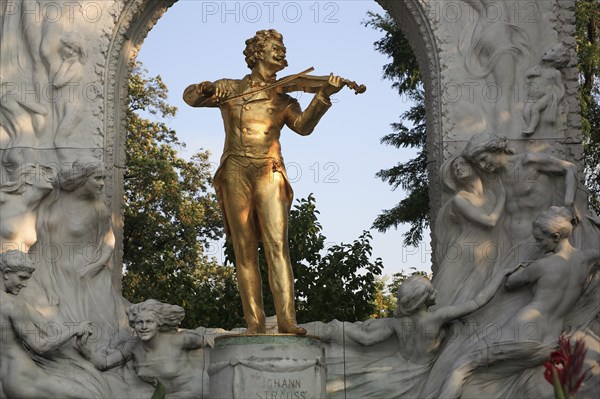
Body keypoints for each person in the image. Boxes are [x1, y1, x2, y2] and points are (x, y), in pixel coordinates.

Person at [183, 29, 347, 334]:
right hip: (234, 170)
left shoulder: (284, 99)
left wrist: (323, 96)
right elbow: (190, 97)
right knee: (244, 250)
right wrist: (205, 89)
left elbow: (303, 127)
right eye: (276, 47)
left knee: (277, 246)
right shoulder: (231, 88)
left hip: (269, 170)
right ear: (257, 53)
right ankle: (254, 324)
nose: (282, 52)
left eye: (283, 48)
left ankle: (286, 320)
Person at [432, 207, 600, 399]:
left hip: (526, 329)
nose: (537, 244)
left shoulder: (542, 266)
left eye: (540, 239)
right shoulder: (586, 259)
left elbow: (511, 283)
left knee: (461, 366)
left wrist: (517, 269)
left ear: (555, 237)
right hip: (551, 341)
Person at [322, 269, 513, 398]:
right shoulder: (437, 317)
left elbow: (366, 339)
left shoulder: (398, 323)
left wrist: (341, 327)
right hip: (413, 374)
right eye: (431, 290)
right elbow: (477, 302)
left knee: (353, 387)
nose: (435, 292)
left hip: (391, 365)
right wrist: (501, 274)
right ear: (423, 299)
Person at [0, 250, 95, 398]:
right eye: (22, 278)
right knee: (87, 395)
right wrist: (75, 329)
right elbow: (40, 346)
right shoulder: (13, 305)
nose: (24, 285)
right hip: (23, 377)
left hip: (5, 379)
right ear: (6, 273)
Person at [77, 299, 213, 398]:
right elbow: (105, 363)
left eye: (149, 322)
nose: (143, 327)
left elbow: (210, 340)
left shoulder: (178, 339)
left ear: (158, 324)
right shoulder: (133, 345)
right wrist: (83, 346)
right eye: (139, 323)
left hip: (200, 393)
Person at [433, 155, 505, 306]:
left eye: (462, 164)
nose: (458, 168)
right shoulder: (459, 199)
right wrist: (502, 196)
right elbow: (490, 221)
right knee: (443, 299)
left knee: (474, 300)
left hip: (486, 253)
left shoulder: (490, 195)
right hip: (463, 252)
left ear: (474, 166)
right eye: (454, 168)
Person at [522, 43, 571, 136]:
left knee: (535, 109)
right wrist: (529, 74)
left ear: (558, 59)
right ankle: (532, 128)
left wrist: (559, 97)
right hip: (532, 97)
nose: (546, 51)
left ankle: (531, 128)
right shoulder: (538, 68)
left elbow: (560, 86)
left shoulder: (555, 73)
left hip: (546, 97)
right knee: (525, 113)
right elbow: (526, 79)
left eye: (552, 51)